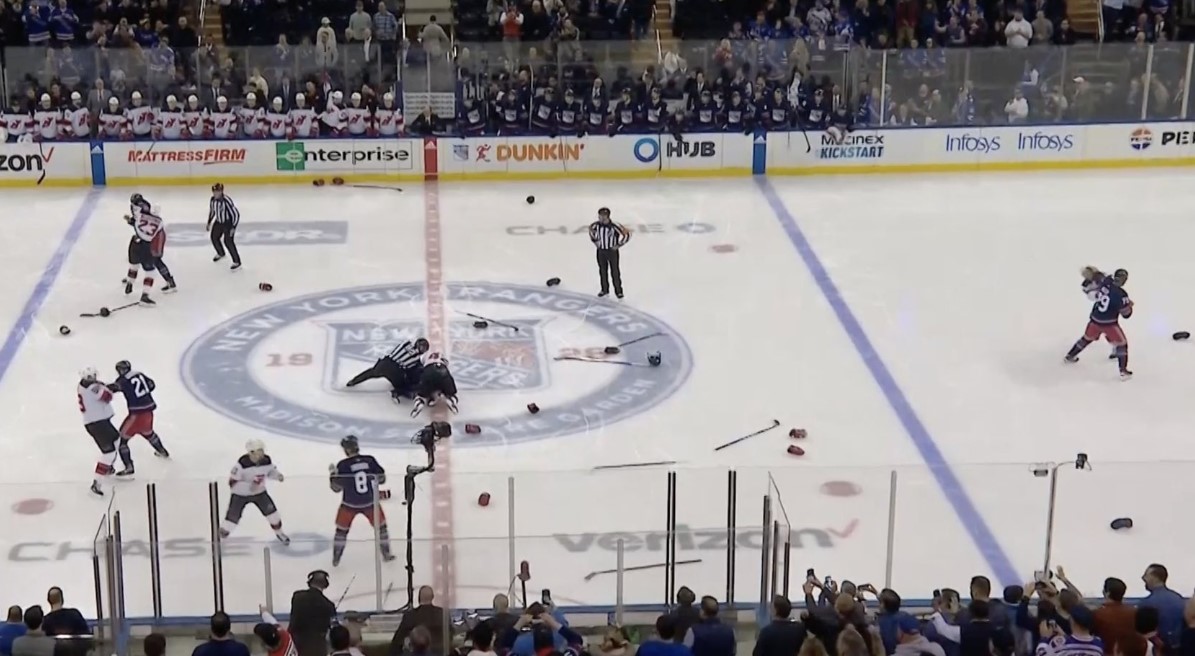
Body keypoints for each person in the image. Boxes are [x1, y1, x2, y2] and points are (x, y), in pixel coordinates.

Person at [330, 435, 395, 566]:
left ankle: (336, 557)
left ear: (346, 450)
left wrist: (332, 475)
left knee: (341, 531)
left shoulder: (343, 465)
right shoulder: (369, 460)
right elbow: (382, 479)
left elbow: (336, 488)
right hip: (370, 502)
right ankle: (386, 553)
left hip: (349, 503)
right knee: (381, 528)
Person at [222, 440, 289, 544]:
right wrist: (249, 487)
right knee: (232, 518)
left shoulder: (266, 460)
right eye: (258, 451)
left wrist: (277, 476)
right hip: (240, 495)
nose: (261, 454)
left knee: (272, 513)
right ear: (251, 452)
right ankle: (221, 537)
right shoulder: (241, 464)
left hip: (260, 493)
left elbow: (270, 471)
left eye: (261, 451)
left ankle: (279, 532)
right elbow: (232, 483)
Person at [344, 338, 430, 402]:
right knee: (403, 386)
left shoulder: (406, 343)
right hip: (395, 371)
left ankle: (353, 381)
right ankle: (396, 392)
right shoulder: (416, 358)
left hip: (384, 362)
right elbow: (409, 371)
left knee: (371, 372)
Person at [78, 367, 120, 496]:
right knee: (109, 454)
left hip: (99, 421)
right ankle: (97, 483)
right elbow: (106, 396)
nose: (93, 378)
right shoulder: (93, 387)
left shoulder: (84, 385)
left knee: (117, 438)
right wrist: (111, 388)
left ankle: (106, 469)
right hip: (98, 423)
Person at [288, 571, 336, 656]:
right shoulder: (329, 605)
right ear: (325, 585)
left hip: (295, 644)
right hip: (317, 647)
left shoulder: (297, 596)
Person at [588, 207, 630, 299]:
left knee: (615, 271)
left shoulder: (615, 225)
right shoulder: (596, 225)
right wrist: (596, 243)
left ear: (608, 216)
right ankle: (604, 289)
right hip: (601, 251)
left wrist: (618, 245)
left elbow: (627, 234)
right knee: (602, 271)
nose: (601, 218)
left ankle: (618, 291)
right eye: (600, 216)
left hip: (612, 252)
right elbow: (591, 232)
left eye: (603, 216)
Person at [389, 586, 445, 656]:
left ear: (419, 598)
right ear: (432, 597)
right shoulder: (442, 614)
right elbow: (451, 634)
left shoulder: (410, 616)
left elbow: (397, 642)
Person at [208, 182, 243, 271]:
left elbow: (236, 214)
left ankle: (237, 261)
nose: (216, 193)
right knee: (214, 237)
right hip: (219, 221)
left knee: (228, 241)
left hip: (228, 223)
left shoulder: (226, 201)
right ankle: (221, 253)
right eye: (214, 191)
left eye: (218, 191)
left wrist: (233, 227)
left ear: (221, 191)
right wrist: (209, 222)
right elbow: (212, 211)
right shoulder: (212, 200)